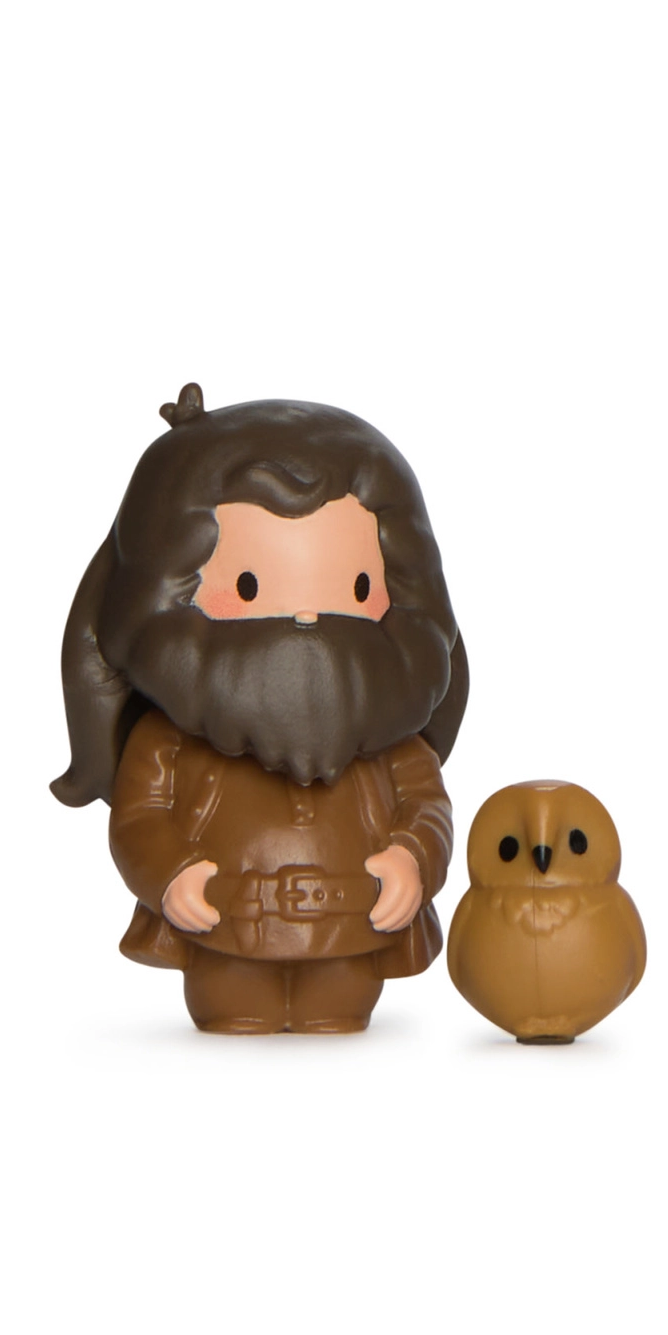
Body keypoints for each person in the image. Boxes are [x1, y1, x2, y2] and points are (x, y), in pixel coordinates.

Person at [53, 385, 469, 1033]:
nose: (305, 617)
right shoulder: (169, 739)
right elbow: (140, 818)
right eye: (246, 587)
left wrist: (413, 857)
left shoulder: (389, 739)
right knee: (231, 1008)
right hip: (224, 929)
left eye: (358, 587)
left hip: (351, 929)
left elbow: (428, 806)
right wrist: (169, 874)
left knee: (339, 1011)